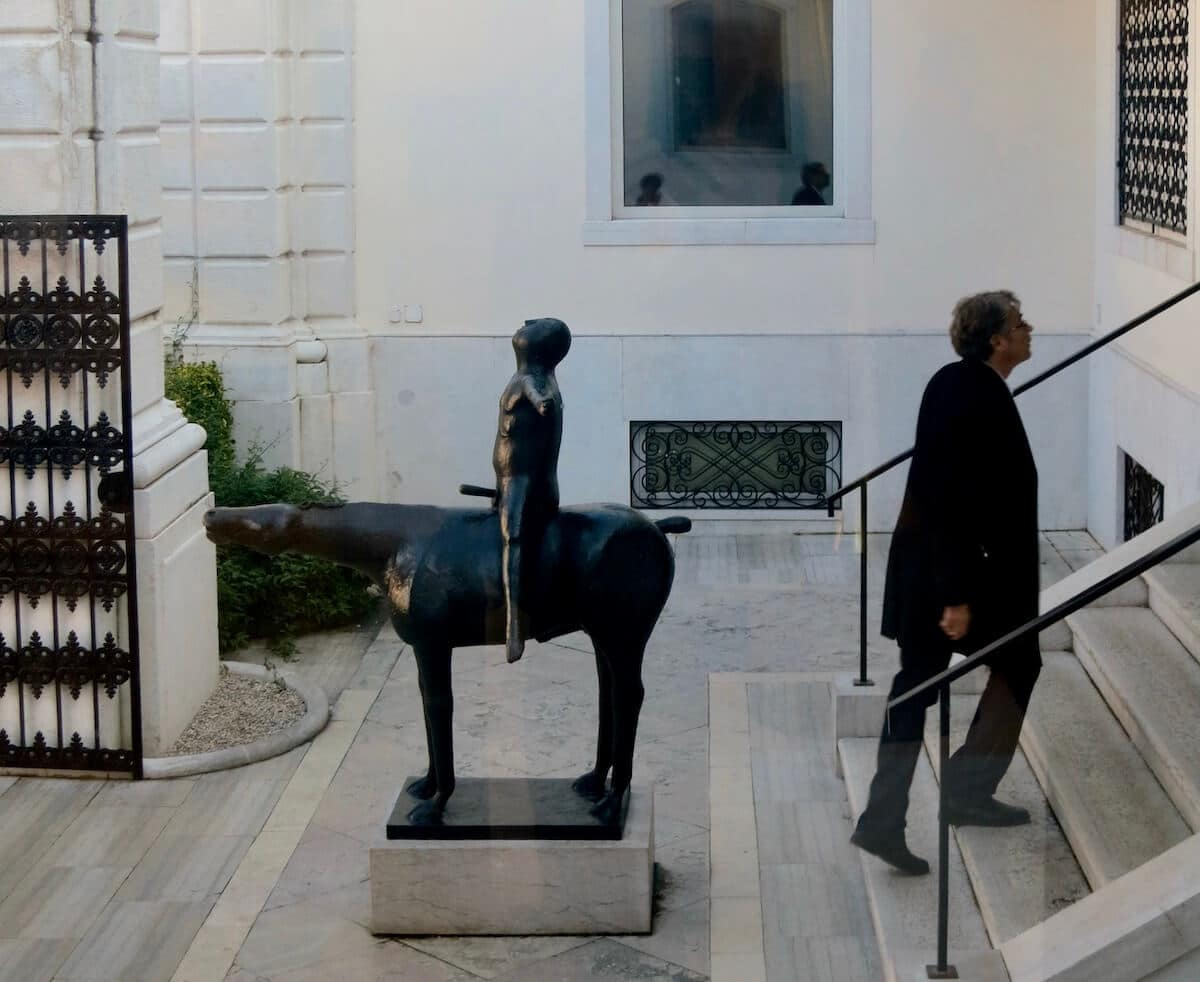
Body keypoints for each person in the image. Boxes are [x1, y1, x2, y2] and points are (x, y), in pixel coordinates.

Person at [850, 290, 1041, 875]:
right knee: (948, 683)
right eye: (1018, 323)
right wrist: (955, 595)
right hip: (952, 579)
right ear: (996, 340)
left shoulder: (963, 383)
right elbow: (947, 497)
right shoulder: (968, 393)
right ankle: (944, 797)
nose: (1029, 329)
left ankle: (918, 806)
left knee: (940, 682)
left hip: (948, 571)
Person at [492, 317, 571, 664]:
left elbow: (541, 403)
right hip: (511, 480)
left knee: (514, 539)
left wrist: (540, 402)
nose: (526, 322)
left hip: (524, 486)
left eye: (535, 325)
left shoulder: (533, 380)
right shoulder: (528, 376)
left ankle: (514, 626)